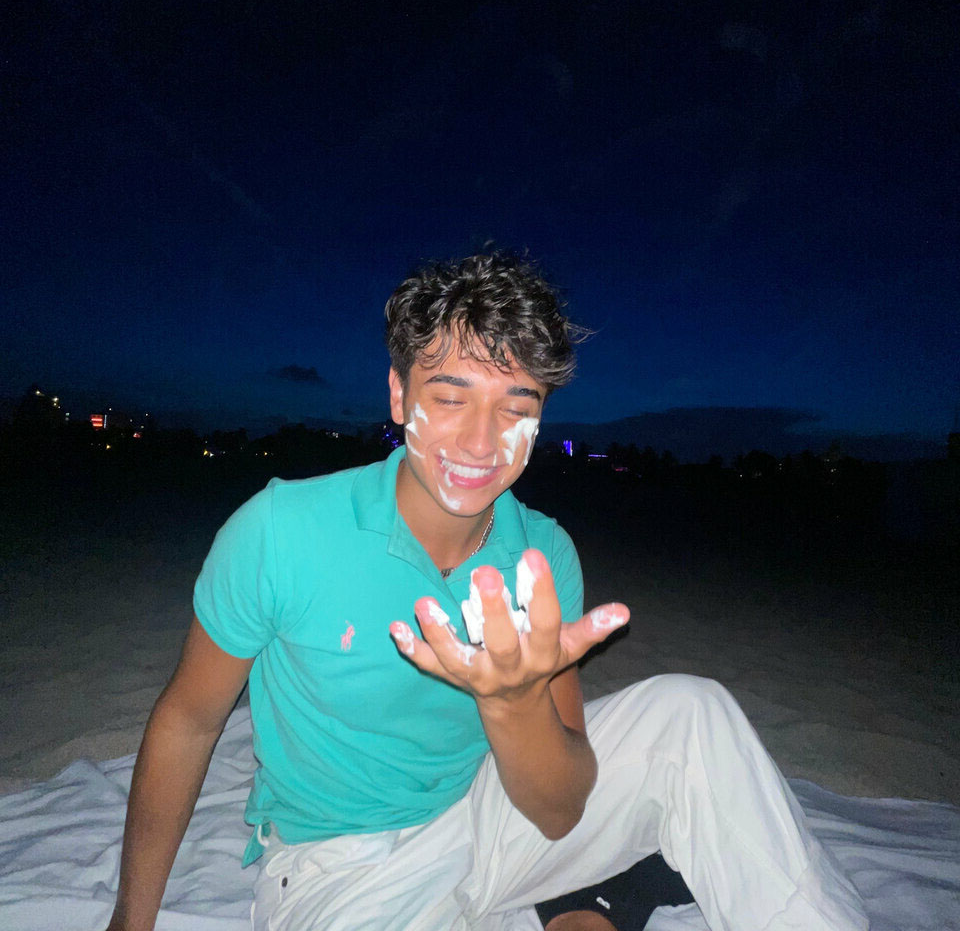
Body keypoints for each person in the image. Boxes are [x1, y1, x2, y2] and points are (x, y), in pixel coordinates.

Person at [105, 251, 869, 931]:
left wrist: (511, 704)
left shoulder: (542, 554)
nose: (481, 441)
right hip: (342, 869)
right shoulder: (281, 531)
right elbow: (189, 721)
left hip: (496, 818)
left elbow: (559, 805)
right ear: (399, 396)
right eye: (451, 397)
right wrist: (128, 925)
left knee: (691, 714)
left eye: (515, 407)